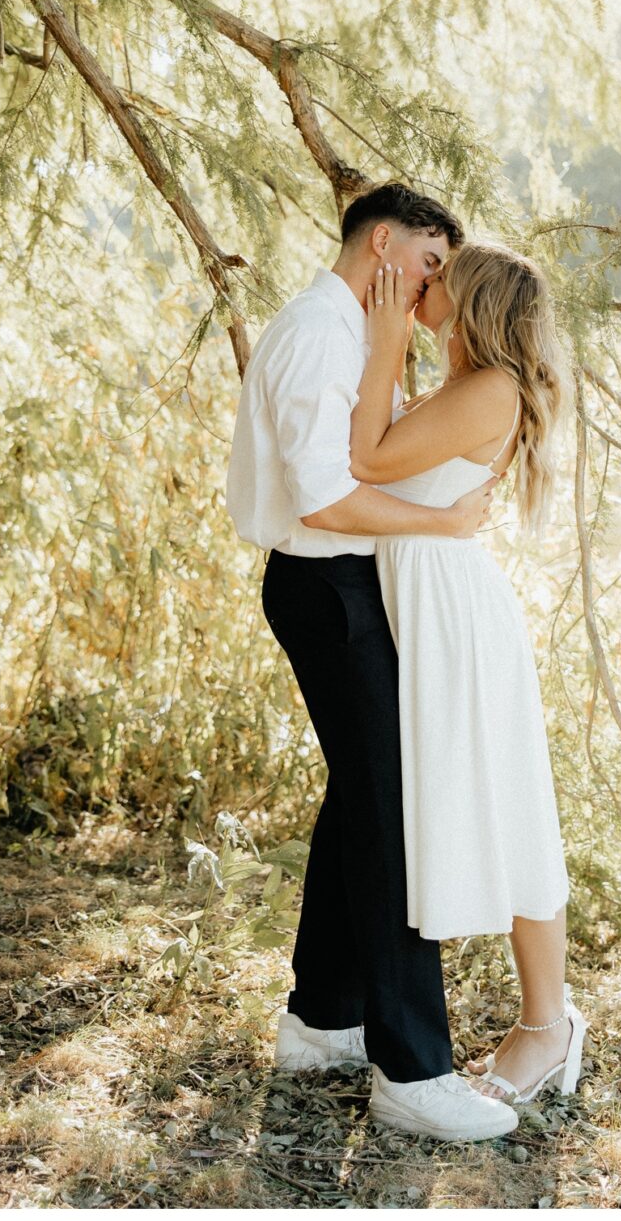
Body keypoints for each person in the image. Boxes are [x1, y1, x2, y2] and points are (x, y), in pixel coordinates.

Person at [226, 183, 518, 1142]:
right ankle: (413, 1069)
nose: (436, 286)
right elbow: (323, 500)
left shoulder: (355, 330)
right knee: (393, 813)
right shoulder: (320, 330)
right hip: (329, 588)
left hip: (352, 588)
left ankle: (322, 1020)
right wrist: (441, 524)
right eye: (431, 263)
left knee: (360, 799)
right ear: (383, 242)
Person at [351, 240, 585, 1107]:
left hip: (454, 613)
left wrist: (383, 344)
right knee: (470, 799)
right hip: (434, 600)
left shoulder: (488, 389)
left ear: (476, 297)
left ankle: (547, 1024)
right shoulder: (468, 384)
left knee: (511, 803)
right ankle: (542, 1018)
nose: (425, 282)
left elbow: (368, 460)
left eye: (441, 275)